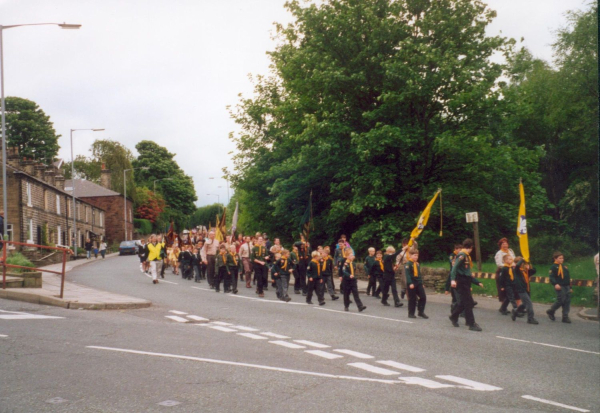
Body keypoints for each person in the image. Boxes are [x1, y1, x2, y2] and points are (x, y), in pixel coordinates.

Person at [449, 239, 484, 331]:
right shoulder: (462, 255)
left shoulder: (466, 256)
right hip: (461, 282)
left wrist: (477, 282)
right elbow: (454, 268)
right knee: (468, 303)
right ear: (471, 247)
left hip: (466, 281)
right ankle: (471, 324)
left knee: (463, 303)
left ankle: (454, 316)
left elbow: (467, 272)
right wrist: (452, 280)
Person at [546, 252, 572, 323]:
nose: (562, 259)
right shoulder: (553, 267)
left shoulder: (564, 267)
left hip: (566, 285)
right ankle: (551, 311)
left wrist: (570, 287)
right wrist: (555, 284)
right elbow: (551, 277)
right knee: (561, 300)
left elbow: (568, 277)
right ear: (555, 258)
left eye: (562, 258)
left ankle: (565, 316)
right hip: (560, 286)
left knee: (567, 301)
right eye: (560, 258)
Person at [513, 257, 538, 324]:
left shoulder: (525, 270)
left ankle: (516, 311)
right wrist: (522, 259)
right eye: (521, 263)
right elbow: (517, 265)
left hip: (527, 288)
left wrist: (529, 265)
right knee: (529, 303)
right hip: (521, 289)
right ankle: (530, 318)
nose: (522, 264)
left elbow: (534, 271)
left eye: (523, 263)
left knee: (525, 303)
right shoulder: (516, 270)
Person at [405, 248, 428, 319]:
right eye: (414, 255)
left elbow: (419, 274)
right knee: (412, 299)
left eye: (417, 256)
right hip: (412, 283)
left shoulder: (417, 264)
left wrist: (421, 283)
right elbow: (407, 275)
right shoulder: (408, 264)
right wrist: (410, 283)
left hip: (418, 283)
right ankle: (411, 313)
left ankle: (421, 312)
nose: (416, 257)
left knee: (423, 297)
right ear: (410, 255)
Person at [494, 238, 516, 311]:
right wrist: (508, 265)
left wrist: (514, 265)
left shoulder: (510, 251)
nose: (505, 245)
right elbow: (499, 264)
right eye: (503, 244)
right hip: (503, 271)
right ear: (500, 245)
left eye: (506, 244)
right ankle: (504, 307)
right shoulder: (499, 253)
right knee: (503, 291)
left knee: (511, 291)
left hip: (512, 271)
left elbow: (514, 259)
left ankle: (503, 308)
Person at [444, 244, 463, 312]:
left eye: (461, 249)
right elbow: (451, 261)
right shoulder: (452, 255)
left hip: (459, 274)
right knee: (455, 295)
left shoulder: (461, 256)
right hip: (453, 271)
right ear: (455, 249)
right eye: (459, 249)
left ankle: (461, 311)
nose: (460, 251)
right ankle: (454, 308)